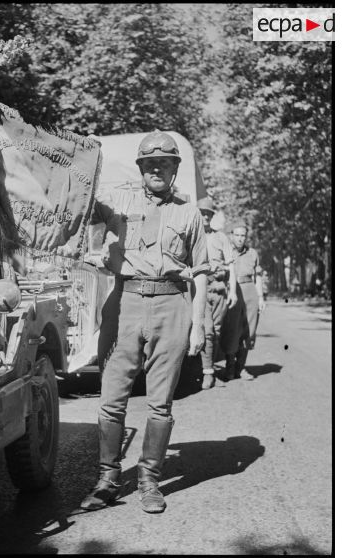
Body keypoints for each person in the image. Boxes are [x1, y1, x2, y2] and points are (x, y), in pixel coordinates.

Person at [80, 131, 209, 514]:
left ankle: (149, 480)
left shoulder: (189, 213)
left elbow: (200, 272)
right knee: (111, 397)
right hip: (126, 302)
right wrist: (84, 156)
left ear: (174, 170)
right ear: (140, 168)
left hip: (172, 304)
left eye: (165, 163)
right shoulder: (117, 202)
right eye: (149, 163)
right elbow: (81, 202)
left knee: (160, 403)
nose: (156, 168)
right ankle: (107, 479)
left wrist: (198, 323)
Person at [197, 197, 237, 390]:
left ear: (212, 216)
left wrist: (234, 291)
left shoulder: (221, 237)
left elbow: (231, 264)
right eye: (202, 212)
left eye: (208, 213)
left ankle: (208, 367)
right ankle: (207, 373)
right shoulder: (191, 236)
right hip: (200, 289)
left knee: (217, 331)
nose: (205, 216)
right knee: (207, 331)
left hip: (220, 289)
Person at [220, 220, 265, 381]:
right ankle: (230, 367)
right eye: (237, 235)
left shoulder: (252, 253)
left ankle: (241, 367)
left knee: (249, 330)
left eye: (243, 235)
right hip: (232, 291)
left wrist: (260, 297)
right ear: (231, 236)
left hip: (249, 290)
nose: (240, 238)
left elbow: (258, 276)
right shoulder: (225, 251)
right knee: (232, 330)